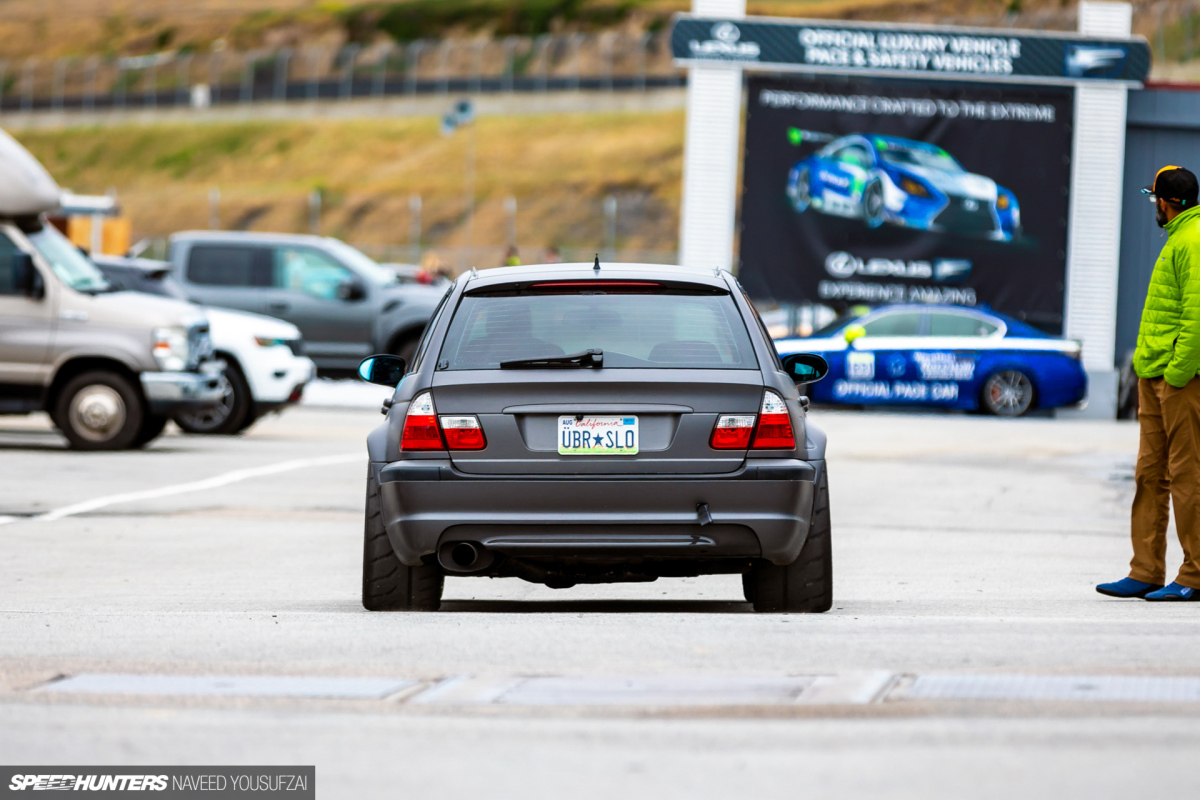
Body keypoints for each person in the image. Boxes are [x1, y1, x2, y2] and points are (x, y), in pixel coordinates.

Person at [1098, 166, 1200, 601]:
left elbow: (1197, 316)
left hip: (1179, 380)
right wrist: (1150, 368)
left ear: (1166, 201)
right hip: (1154, 374)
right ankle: (1145, 570)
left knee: (1187, 475)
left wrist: (1178, 372)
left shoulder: (1193, 240)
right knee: (1149, 474)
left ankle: (1195, 576)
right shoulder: (1177, 237)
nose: (1153, 205)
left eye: (1153, 198)